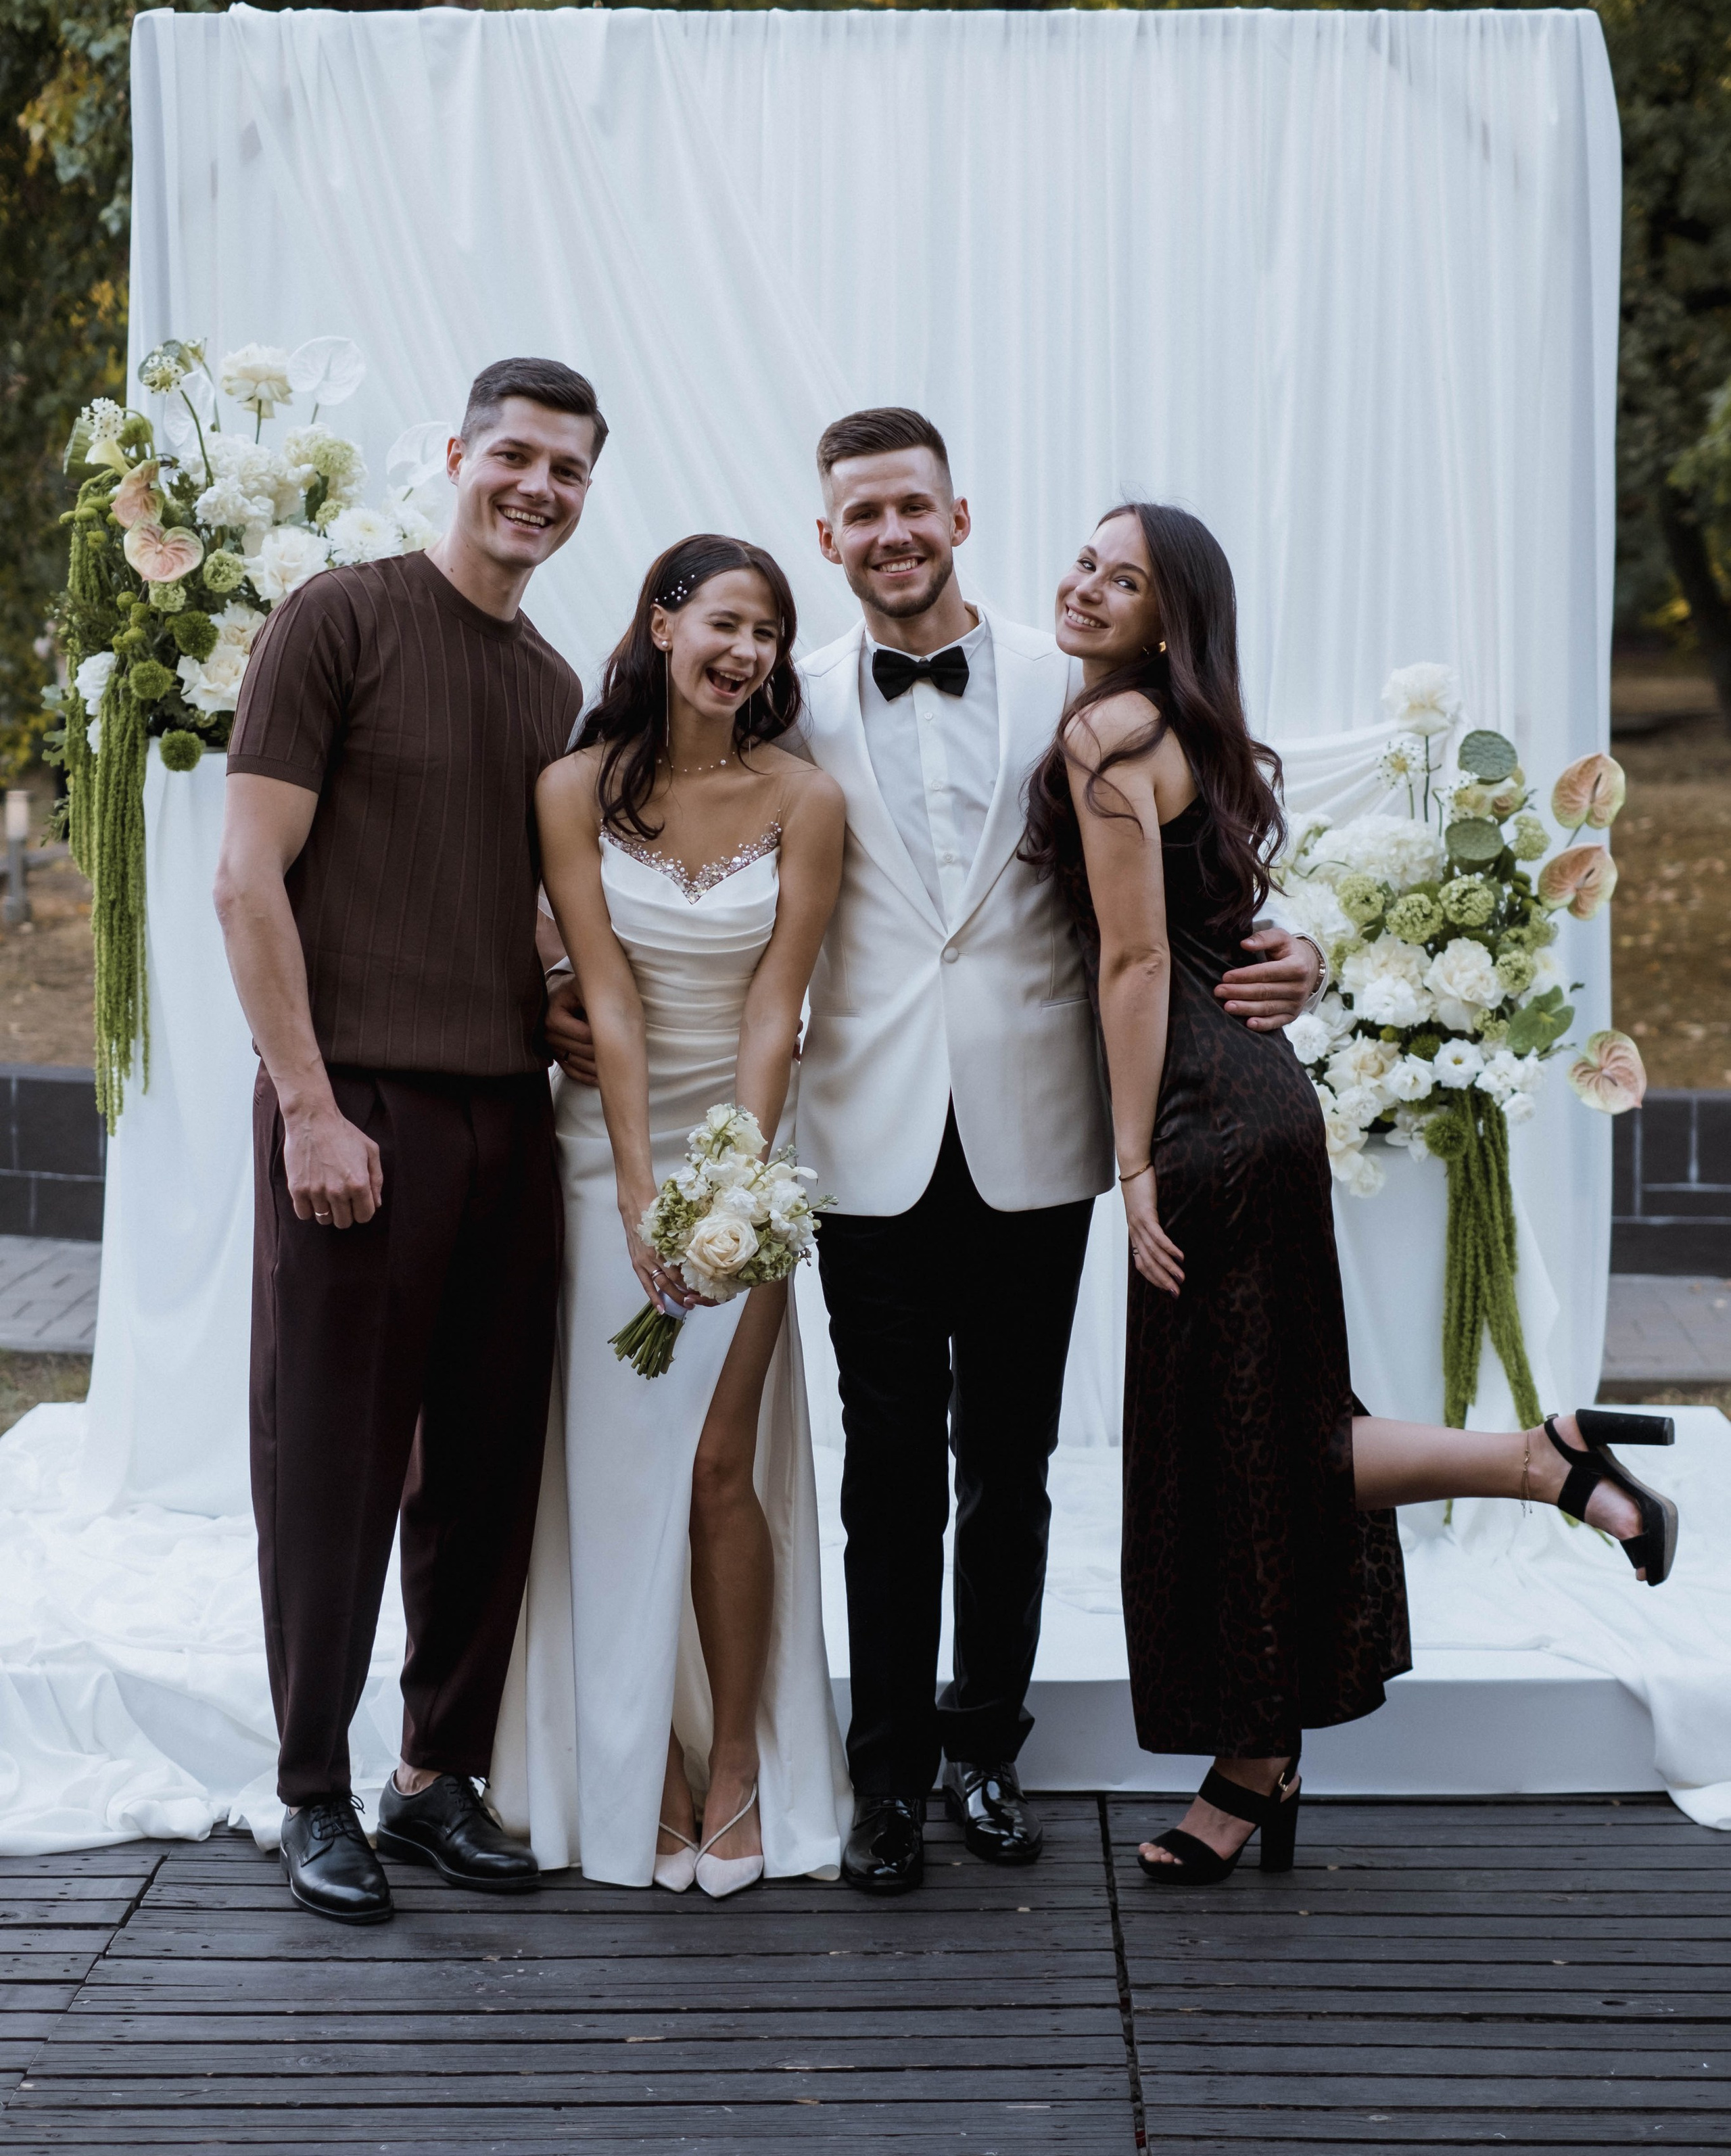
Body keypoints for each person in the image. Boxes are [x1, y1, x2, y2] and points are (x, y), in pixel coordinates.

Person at [1025, 499, 1682, 1887]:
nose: (1084, 586)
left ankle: (1527, 1479)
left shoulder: (1105, 737)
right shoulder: (1179, 729)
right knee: (1258, 1436)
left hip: (1206, 1120)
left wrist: (1131, 1164)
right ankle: (1523, 1478)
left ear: (1165, 615)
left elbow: (1134, 965)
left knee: (1239, 1449)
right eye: (1084, 560)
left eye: (1120, 579)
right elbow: (1228, 922)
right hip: (1258, 1104)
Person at [792, 409, 1324, 1895]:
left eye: (914, 506)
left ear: (959, 518)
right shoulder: (786, 695)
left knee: (1006, 1462)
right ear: (825, 536)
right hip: (862, 1127)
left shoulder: (1078, 685)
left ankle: (982, 1754)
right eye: (860, 514)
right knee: (884, 1467)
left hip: (1042, 1129)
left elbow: (1206, 847)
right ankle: (883, 1778)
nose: (890, 534)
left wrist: (1302, 944)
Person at [215, 356, 600, 1925]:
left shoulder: (554, 687)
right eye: (512, 455)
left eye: (567, 470)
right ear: (455, 454)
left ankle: (435, 1776)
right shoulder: (338, 620)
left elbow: (512, 905)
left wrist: (574, 1008)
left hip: (512, 1112)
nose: (536, 487)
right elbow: (249, 878)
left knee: (490, 1469)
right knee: (331, 1462)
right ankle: (312, 1786)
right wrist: (307, 1104)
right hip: (355, 1104)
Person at [489, 535, 853, 1895]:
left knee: (720, 1464)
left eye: (768, 629)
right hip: (604, 1158)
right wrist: (642, 1193)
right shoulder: (570, 788)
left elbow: (776, 1007)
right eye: (724, 619)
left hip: (751, 1159)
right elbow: (611, 1002)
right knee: (620, 1467)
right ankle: (632, 1759)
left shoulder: (804, 798)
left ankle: (742, 1763)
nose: (746, 648)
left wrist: (738, 1194)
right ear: (659, 622)